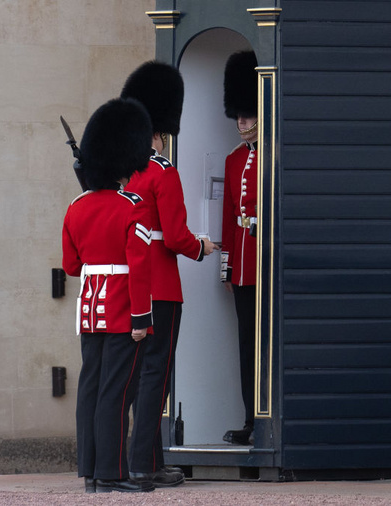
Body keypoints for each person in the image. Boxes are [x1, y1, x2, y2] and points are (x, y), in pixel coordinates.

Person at [121, 61, 220, 486]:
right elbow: (176, 237)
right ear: (159, 131)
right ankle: (143, 463)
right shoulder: (163, 172)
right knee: (156, 379)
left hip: (129, 287)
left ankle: (148, 461)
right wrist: (203, 246)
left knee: (139, 376)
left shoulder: (124, 173)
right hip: (161, 287)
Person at [62, 98, 155, 494]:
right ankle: (112, 473)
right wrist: (141, 320)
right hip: (121, 311)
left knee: (90, 389)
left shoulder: (76, 208)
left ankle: (90, 472)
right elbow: (140, 268)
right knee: (115, 393)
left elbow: (71, 266)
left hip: (89, 312)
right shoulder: (130, 207)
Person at [220, 50, 259, 446]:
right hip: (244, 267)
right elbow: (229, 219)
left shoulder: (273, 155)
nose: (242, 120)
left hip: (267, 262)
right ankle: (251, 418)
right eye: (239, 115)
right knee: (246, 343)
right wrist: (227, 269)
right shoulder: (234, 161)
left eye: (247, 113)